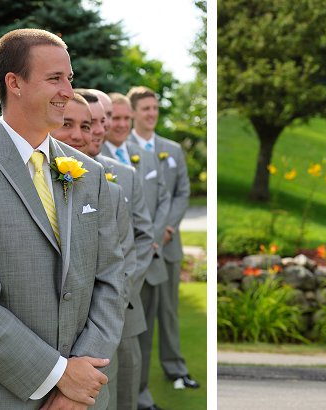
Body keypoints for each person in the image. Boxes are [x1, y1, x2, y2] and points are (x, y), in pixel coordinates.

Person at [0, 29, 125, 409]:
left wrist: (80, 382)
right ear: (14, 83)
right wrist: (58, 376)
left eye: (69, 79)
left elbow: (112, 279)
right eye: (55, 78)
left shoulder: (89, 174)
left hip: (84, 398)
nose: (68, 92)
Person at [80, 88, 156, 410]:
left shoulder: (124, 175)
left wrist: (119, 291)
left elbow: (142, 237)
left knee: (125, 392)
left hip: (123, 311)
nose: (101, 128)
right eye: (92, 122)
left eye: (105, 119)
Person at [127, 86, 198, 391]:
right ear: (133, 113)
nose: (152, 113)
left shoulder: (173, 150)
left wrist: (167, 228)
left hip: (168, 246)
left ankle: (175, 368)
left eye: (155, 108)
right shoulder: (119, 148)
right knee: (139, 317)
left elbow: (182, 193)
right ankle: (135, 378)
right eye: (146, 109)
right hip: (137, 249)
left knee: (168, 312)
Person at [103, 92, 170, 410]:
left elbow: (157, 205)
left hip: (141, 267)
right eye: (112, 118)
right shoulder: (81, 158)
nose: (118, 124)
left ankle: (142, 397)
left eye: (124, 118)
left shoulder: (140, 157)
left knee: (136, 346)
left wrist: (155, 237)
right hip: (107, 278)